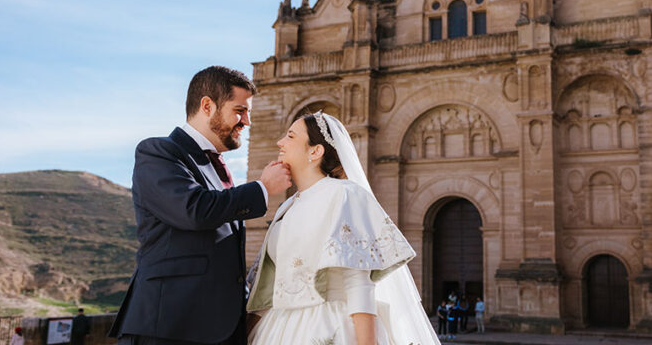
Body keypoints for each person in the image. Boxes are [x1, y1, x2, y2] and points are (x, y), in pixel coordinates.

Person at [108, 66, 292, 344]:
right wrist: (263, 189)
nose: (247, 121)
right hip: (168, 326)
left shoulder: (218, 168)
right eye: (240, 110)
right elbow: (194, 210)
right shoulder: (159, 152)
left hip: (221, 330)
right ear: (207, 105)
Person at [245, 112, 439, 344]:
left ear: (315, 151)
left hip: (330, 325)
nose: (280, 142)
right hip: (277, 328)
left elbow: (358, 282)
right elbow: (271, 283)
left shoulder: (345, 194)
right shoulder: (287, 205)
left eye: (290, 136)